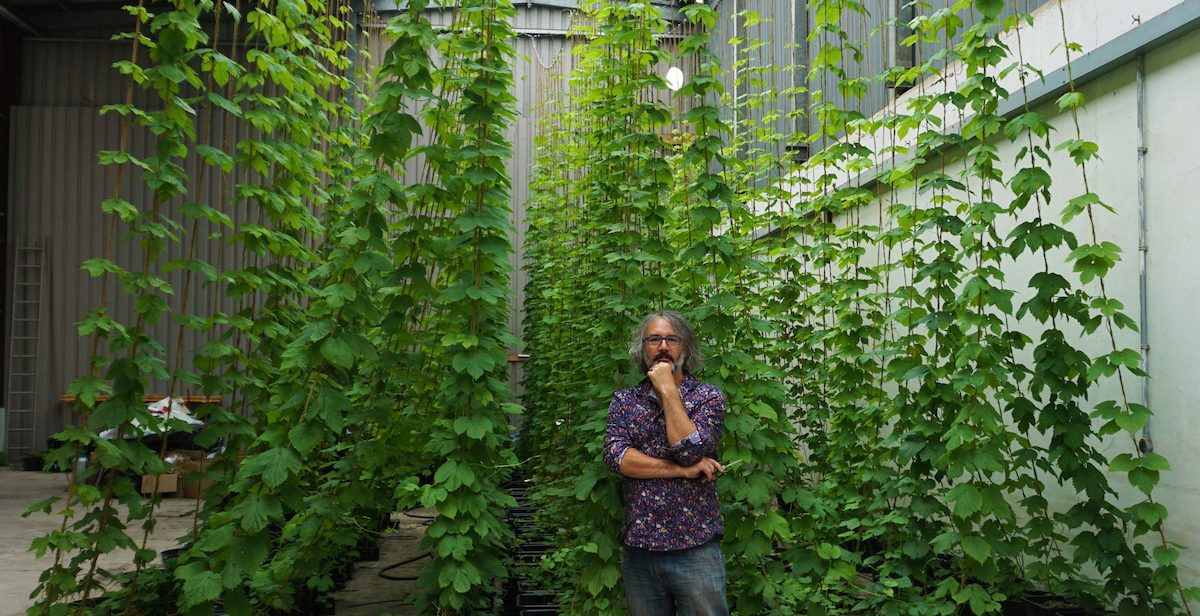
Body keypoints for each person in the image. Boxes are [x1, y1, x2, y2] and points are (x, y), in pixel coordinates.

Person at [603, 310, 729, 616]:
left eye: (671, 339)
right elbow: (617, 458)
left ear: (684, 348)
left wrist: (668, 390)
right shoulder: (625, 401)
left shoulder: (707, 398)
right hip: (640, 549)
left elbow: (689, 450)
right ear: (641, 348)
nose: (663, 347)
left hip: (695, 546)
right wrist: (682, 471)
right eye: (654, 339)